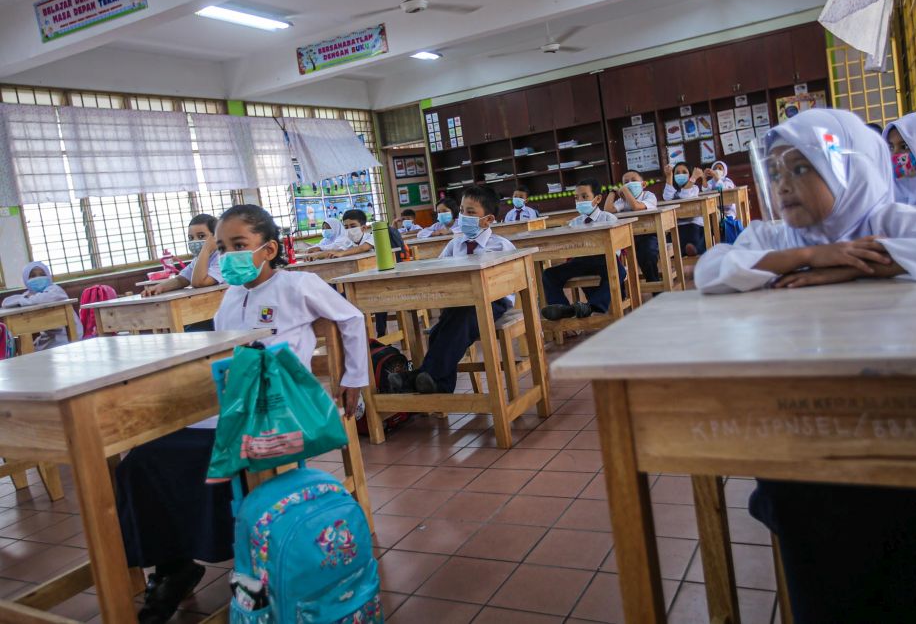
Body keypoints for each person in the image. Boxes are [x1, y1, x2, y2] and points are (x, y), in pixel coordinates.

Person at [694, 108, 916, 623]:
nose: (784, 184)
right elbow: (710, 269)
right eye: (776, 173)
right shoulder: (774, 238)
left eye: (801, 168)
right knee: (805, 500)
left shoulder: (884, 219)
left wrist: (856, 268)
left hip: (902, 406)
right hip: (809, 418)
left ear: (847, 171)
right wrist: (813, 258)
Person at [116, 205, 368, 624]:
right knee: (143, 457)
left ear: (268, 249)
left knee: (211, 456)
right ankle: (173, 564)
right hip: (232, 405)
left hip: (278, 406)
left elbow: (352, 317)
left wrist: (354, 377)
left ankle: (239, 557)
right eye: (222, 246)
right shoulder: (230, 297)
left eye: (239, 245)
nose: (228, 254)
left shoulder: (298, 284)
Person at [387, 186, 515, 395]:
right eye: (462, 211)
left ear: (489, 219)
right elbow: (439, 270)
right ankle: (439, 385)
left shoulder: (501, 246)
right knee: (437, 332)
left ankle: (418, 377)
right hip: (461, 302)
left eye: (471, 212)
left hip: (493, 302)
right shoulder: (455, 245)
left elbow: (509, 280)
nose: (464, 216)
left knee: (460, 319)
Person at [540, 179, 626, 320]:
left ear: (598, 198)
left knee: (619, 271)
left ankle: (591, 306)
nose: (579, 201)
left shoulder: (608, 218)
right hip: (580, 262)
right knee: (549, 274)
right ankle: (564, 310)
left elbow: (617, 247)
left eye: (584, 197)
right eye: (576, 198)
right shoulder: (574, 223)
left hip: (604, 260)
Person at [1, 261, 82, 349]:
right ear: (26, 279)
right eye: (32, 275)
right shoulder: (30, 293)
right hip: (49, 337)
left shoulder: (55, 290)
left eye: (42, 274)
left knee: (36, 354)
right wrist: (25, 298)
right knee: (30, 350)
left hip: (68, 334)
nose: (38, 278)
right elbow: (6, 302)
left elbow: (41, 299)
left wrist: (25, 299)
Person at [142, 214, 223, 297]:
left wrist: (205, 249)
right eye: (191, 238)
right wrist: (159, 287)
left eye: (201, 236)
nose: (195, 241)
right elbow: (181, 280)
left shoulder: (221, 257)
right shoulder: (198, 259)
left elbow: (199, 282)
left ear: (215, 237)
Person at [604, 170, 661, 286]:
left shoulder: (649, 196)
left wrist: (624, 189)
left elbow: (636, 206)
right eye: (626, 182)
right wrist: (612, 192)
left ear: (643, 184)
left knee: (647, 253)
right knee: (612, 254)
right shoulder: (623, 200)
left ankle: (654, 285)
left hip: (648, 235)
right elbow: (608, 211)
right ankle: (623, 291)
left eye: (634, 181)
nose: (629, 184)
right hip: (628, 236)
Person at [662, 163, 706, 256]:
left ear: (689, 175)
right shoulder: (674, 191)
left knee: (694, 237)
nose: (680, 175)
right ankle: (682, 252)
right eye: (677, 173)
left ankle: (693, 249)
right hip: (677, 225)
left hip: (693, 223)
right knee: (673, 239)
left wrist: (694, 178)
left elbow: (685, 196)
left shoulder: (694, 188)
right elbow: (667, 197)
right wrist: (669, 176)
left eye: (684, 172)